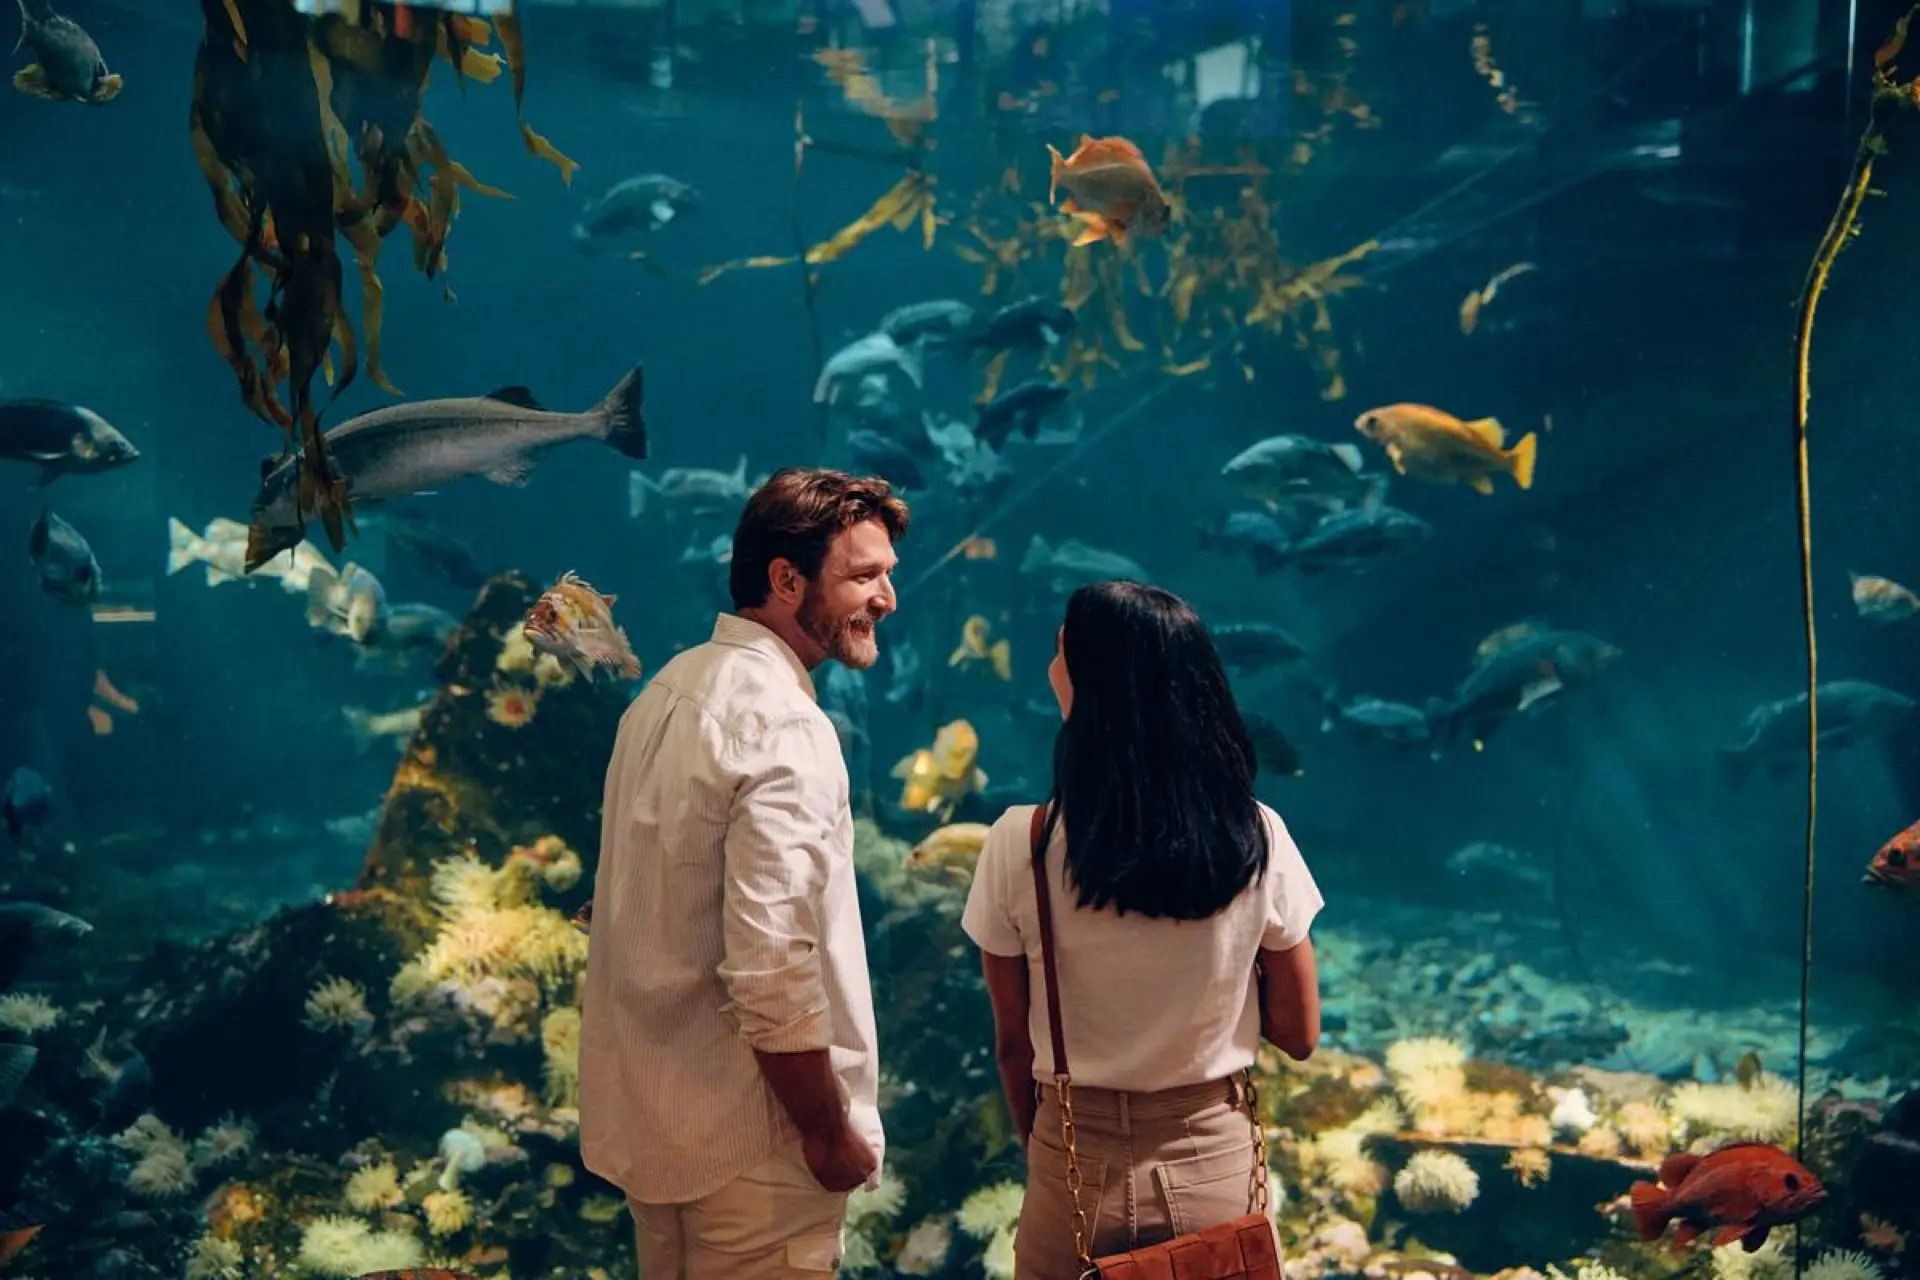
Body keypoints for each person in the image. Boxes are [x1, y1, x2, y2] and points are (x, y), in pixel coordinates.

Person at [579, 467, 909, 1280]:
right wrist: (828, 1133)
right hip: (755, 1153)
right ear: (785, 579)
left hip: (652, 1132)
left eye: (888, 574)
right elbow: (769, 964)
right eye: (863, 575)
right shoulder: (784, 725)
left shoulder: (665, 690)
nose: (887, 599)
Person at [960, 580, 1324, 1280]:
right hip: (1214, 1157)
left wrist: (1049, 1146)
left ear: (1091, 684)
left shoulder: (1019, 842)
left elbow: (1012, 1043)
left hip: (1073, 1164)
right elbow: (1301, 1034)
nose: (1050, 667)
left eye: (1061, 651)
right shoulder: (1257, 835)